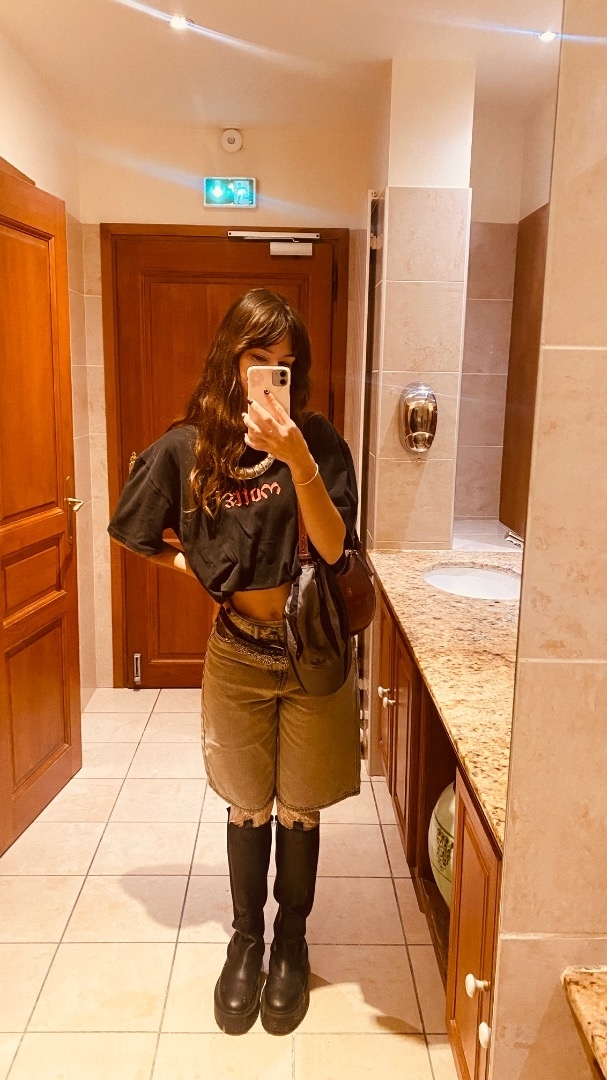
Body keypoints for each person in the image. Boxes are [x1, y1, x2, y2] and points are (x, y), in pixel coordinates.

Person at [108, 288, 360, 1036]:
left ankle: (291, 940)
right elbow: (134, 531)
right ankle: (247, 938)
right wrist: (192, 566)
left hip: (311, 655)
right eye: (259, 358)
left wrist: (297, 458)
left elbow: (332, 547)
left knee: (300, 807)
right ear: (231, 358)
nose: (274, 375)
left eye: (287, 363)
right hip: (239, 656)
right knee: (247, 804)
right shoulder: (189, 448)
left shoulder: (316, 439)